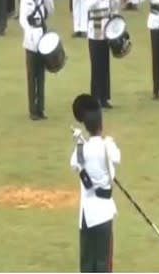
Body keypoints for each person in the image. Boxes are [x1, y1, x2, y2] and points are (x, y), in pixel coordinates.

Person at [70, 93, 120, 272]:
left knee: (87, 264)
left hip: (86, 216)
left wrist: (80, 142)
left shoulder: (82, 150)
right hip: (103, 214)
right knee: (103, 264)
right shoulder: (108, 145)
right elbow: (116, 158)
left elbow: (76, 163)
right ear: (101, 124)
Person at [19, 0, 54, 120]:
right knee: (31, 76)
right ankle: (32, 110)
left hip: (41, 34)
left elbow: (50, 12)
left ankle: (41, 108)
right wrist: (28, 32)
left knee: (41, 75)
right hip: (31, 37)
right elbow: (22, 19)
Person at [86, 0, 116, 109]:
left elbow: (109, 0)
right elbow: (90, 4)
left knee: (105, 64)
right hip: (95, 28)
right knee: (96, 66)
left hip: (106, 26)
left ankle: (105, 97)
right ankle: (96, 97)